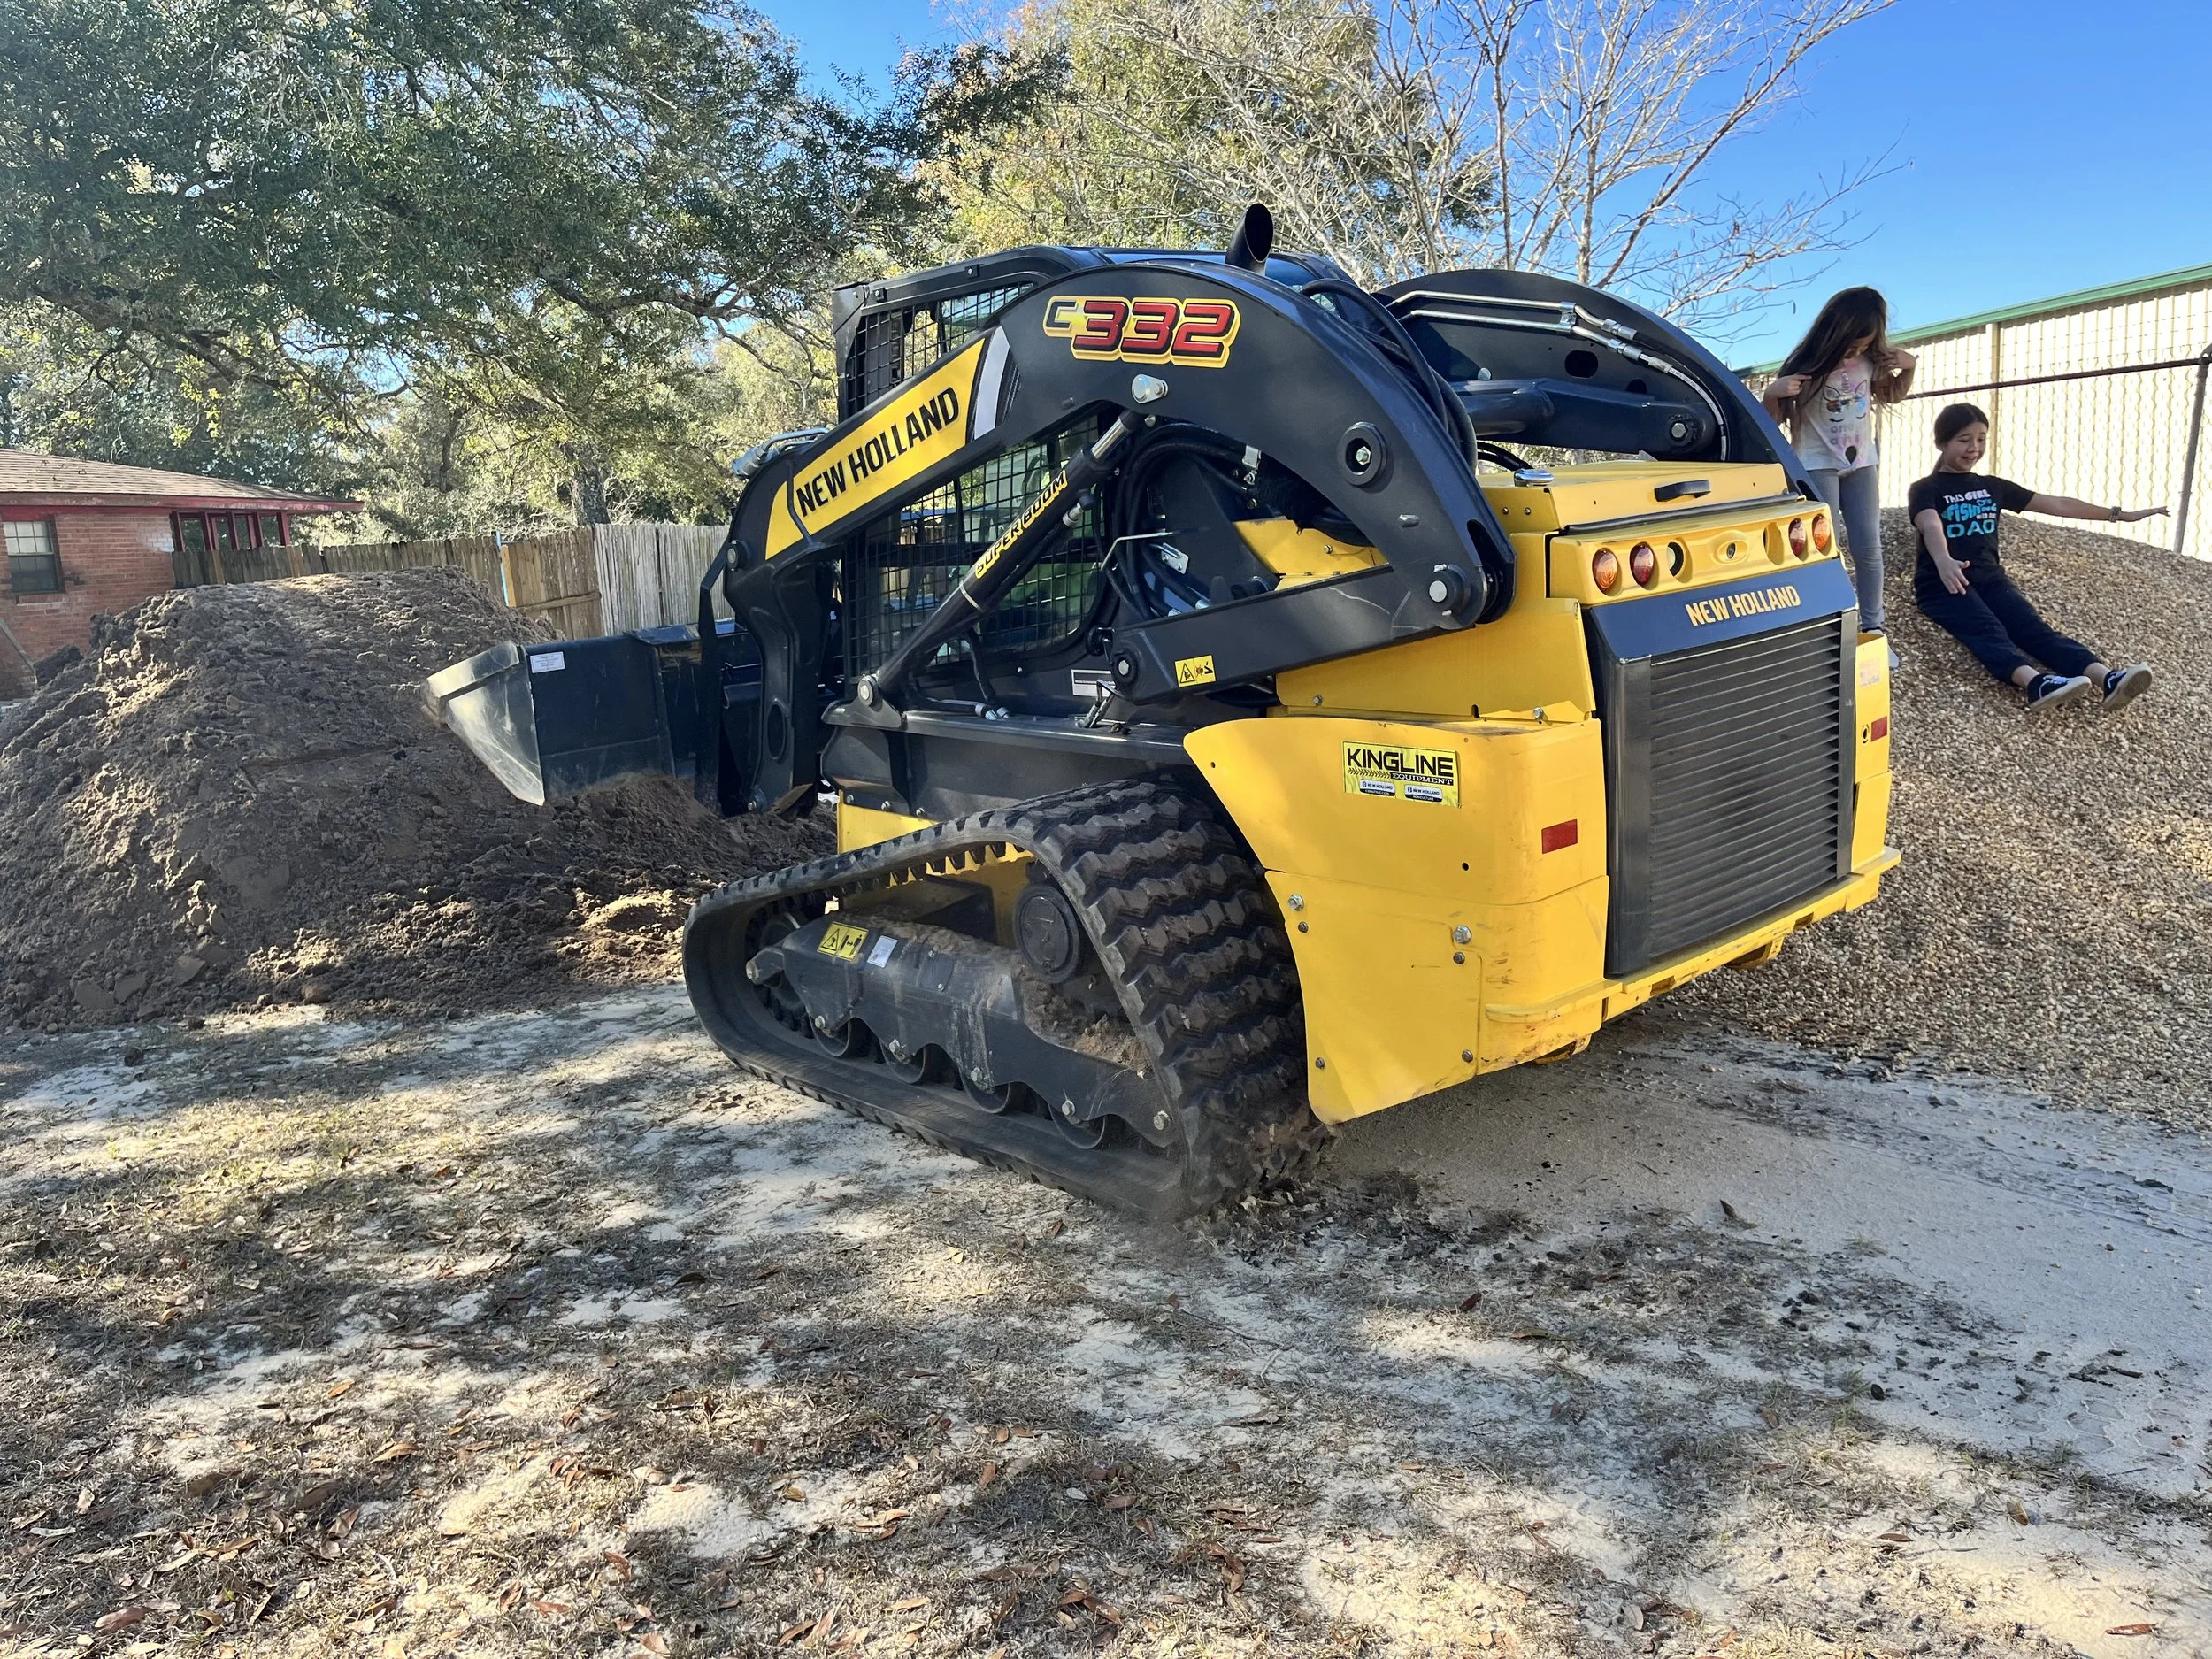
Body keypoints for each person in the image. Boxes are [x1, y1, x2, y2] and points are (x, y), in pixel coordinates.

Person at [1909, 403, 2163, 714]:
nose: (1974, 448)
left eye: (1981, 439)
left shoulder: (1992, 486)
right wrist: (1943, 559)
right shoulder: (1926, 488)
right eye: (1964, 440)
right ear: (1941, 442)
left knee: (2033, 629)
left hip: (1990, 578)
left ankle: (2107, 678)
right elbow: (1930, 523)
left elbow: (2058, 504)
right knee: (1987, 629)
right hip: (1943, 582)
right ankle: (2035, 684)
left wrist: (2119, 515)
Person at [1762, 287, 1916, 649]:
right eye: (1852, 344)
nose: (1856, 351)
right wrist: (1773, 393)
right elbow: (1772, 424)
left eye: (1863, 345)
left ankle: (1874, 628)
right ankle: (1828, 622)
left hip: (1862, 464)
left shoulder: (1871, 362)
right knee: (1824, 548)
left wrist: (1910, 367)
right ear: (1834, 331)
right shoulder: (1806, 365)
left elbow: (1891, 394)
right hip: (1817, 465)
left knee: (1868, 547)